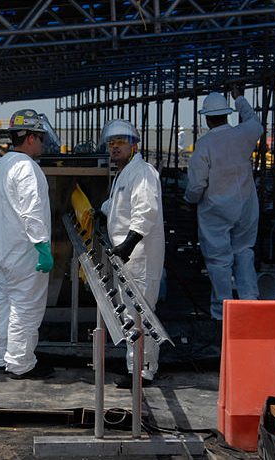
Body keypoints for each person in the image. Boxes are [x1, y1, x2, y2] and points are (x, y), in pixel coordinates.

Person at [0, 109, 54, 379]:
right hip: (24, 253)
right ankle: (21, 364)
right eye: (41, 138)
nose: (43, 144)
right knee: (25, 307)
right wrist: (42, 247)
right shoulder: (27, 168)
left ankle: (2, 356)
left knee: (4, 303)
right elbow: (32, 211)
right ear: (31, 138)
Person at [184, 87, 263, 320]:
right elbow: (254, 121)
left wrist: (189, 201)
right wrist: (240, 99)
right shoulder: (244, 134)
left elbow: (196, 185)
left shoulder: (204, 145)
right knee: (244, 251)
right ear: (227, 115)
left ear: (207, 119)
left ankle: (222, 312)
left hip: (216, 211)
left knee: (219, 260)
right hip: (246, 206)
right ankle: (250, 302)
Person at [99, 119, 165, 389]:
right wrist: (100, 210)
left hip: (139, 257)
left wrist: (129, 243)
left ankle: (142, 371)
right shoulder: (125, 173)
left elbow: (145, 211)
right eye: (111, 143)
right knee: (130, 313)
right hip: (126, 258)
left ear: (134, 146)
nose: (114, 147)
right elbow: (119, 206)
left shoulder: (143, 173)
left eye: (120, 142)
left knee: (140, 314)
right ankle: (134, 365)